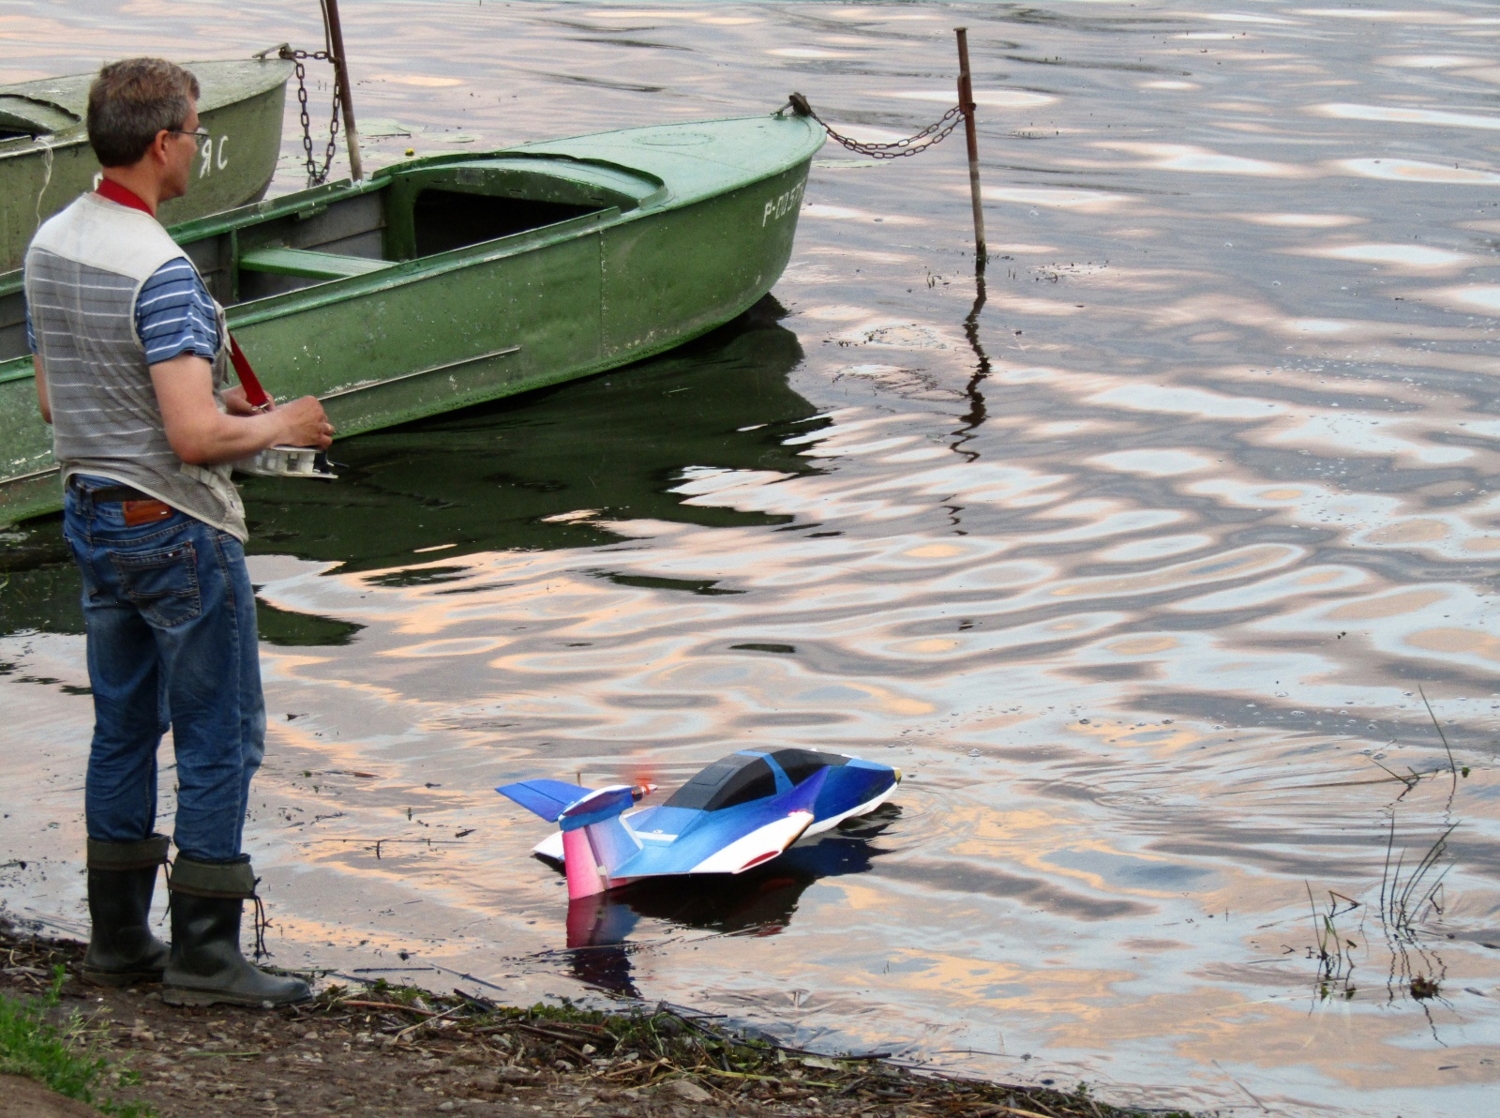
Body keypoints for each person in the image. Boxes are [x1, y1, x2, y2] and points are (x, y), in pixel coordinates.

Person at [23, 58, 333, 1007]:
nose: (199, 145)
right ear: (162, 143)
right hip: (173, 525)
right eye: (195, 132)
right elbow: (195, 439)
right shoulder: (159, 269)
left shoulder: (50, 242)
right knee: (219, 736)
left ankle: (117, 941)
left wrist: (207, 401)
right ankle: (206, 955)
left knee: (122, 727)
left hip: (91, 512)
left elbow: (54, 398)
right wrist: (281, 424)